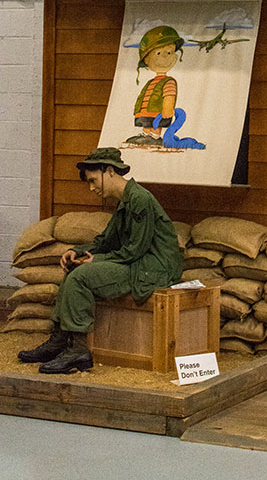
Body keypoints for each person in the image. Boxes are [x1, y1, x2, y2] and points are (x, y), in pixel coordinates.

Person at [18, 147, 183, 374]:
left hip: (151, 269)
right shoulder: (125, 201)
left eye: (94, 180)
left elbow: (135, 250)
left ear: (110, 172)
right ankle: (59, 341)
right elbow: (105, 241)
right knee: (72, 270)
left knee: (81, 277)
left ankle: (79, 349)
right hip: (137, 263)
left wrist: (96, 261)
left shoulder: (140, 199)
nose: (92, 187)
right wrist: (78, 252)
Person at [126, 25, 184, 147]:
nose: (164, 56)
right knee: (146, 123)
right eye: (158, 53)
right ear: (147, 60)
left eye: (168, 52)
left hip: (158, 113)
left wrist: (167, 108)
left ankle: (155, 135)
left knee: (156, 123)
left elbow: (169, 95)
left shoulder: (169, 81)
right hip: (145, 112)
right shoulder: (150, 82)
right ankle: (146, 134)